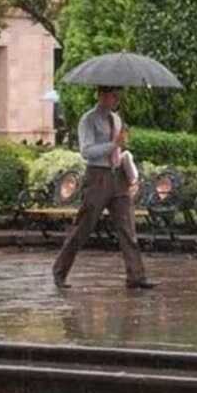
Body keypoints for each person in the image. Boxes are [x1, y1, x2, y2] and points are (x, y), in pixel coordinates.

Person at [52, 86, 156, 290]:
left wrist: (122, 145)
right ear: (101, 95)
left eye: (117, 96)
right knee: (85, 225)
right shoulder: (88, 120)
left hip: (117, 175)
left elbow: (119, 148)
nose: (115, 99)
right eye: (111, 95)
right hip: (98, 175)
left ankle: (136, 275)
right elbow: (87, 151)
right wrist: (112, 144)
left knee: (127, 227)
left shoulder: (117, 119)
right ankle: (60, 270)